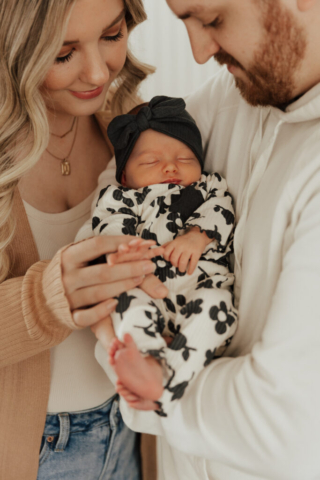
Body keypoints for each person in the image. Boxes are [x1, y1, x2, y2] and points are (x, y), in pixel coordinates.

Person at [90, 0, 320, 478]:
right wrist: (115, 289)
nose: (198, 52)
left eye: (213, 19)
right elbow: (115, 189)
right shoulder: (231, 92)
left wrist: (157, 388)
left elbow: (281, 425)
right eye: (185, 22)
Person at [0, 0, 166, 479]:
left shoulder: (136, 127)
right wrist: (45, 300)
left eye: (112, 36)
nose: (98, 71)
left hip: (131, 432)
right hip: (34, 453)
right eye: (63, 53)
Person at [90, 95, 237, 417]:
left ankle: (166, 382)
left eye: (185, 158)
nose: (171, 167)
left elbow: (222, 210)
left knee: (218, 306)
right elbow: (108, 230)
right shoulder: (121, 197)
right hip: (147, 290)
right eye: (150, 162)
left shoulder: (208, 187)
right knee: (127, 303)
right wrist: (124, 252)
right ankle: (148, 358)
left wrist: (197, 237)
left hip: (201, 290)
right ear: (125, 176)